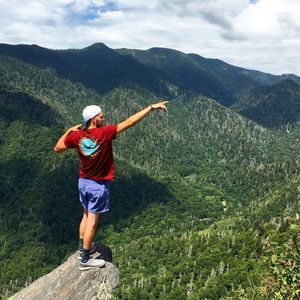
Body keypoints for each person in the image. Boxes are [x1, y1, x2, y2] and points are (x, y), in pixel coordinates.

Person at [53, 100, 169, 270]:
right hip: (98, 186)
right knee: (92, 220)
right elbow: (130, 122)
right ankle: (84, 259)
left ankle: (82, 249)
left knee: (85, 215)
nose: (104, 118)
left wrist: (69, 130)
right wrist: (151, 108)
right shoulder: (104, 133)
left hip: (83, 182)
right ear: (93, 119)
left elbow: (57, 148)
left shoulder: (76, 137)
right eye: (101, 116)